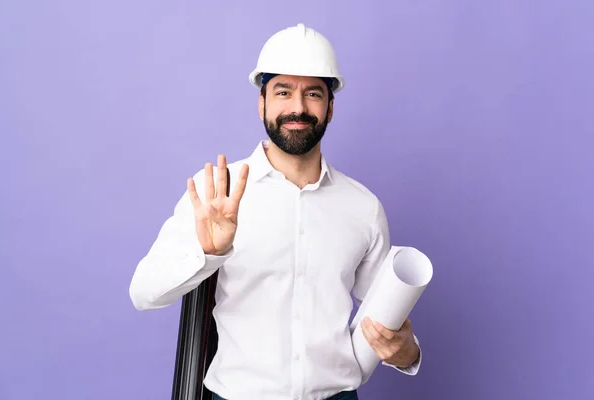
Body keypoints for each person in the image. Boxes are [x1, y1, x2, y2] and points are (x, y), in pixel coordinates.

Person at [129, 23, 422, 400]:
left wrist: (406, 352)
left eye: (313, 94)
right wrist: (208, 253)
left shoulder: (363, 208)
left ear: (330, 107)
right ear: (262, 102)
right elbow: (143, 292)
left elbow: (384, 317)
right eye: (283, 91)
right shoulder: (216, 192)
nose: (297, 108)